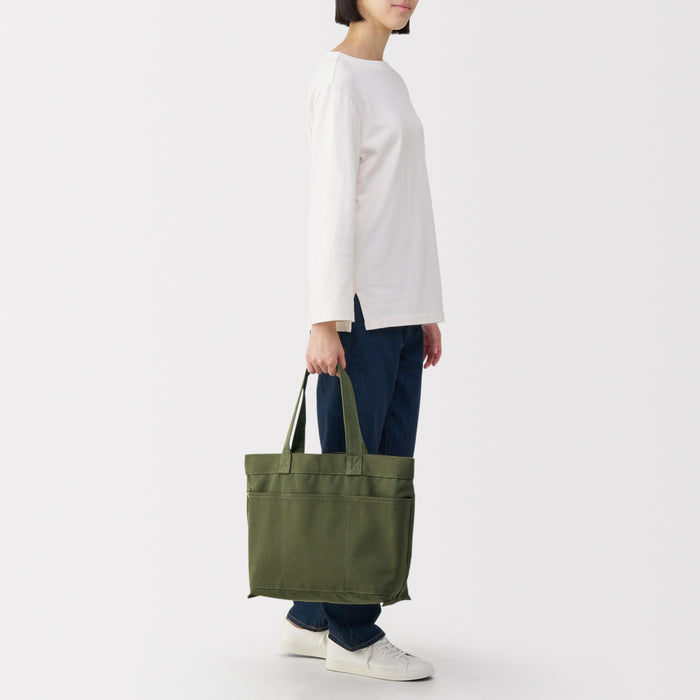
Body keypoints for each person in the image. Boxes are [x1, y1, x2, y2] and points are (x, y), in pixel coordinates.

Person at [279, 0, 444, 681]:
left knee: (384, 468)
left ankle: (310, 616)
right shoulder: (340, 78)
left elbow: (406, 201)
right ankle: (353, 636)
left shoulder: (389, 80)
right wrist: (324, 317)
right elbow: (331, 200)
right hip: (358, 309)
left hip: (398, 306)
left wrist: (424, 305)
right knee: (358, 475)